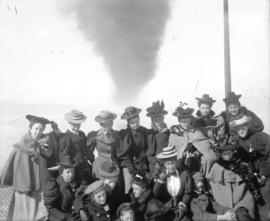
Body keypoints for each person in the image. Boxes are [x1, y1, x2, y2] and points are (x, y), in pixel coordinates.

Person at [0, 114, 50, 221]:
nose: (38, 132)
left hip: (35, 189)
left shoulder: (38, 146)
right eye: (36, 128)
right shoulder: (21, 147)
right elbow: (11, 163)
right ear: (30, 129)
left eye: (41, 129)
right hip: (24, 190)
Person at [229, 114, 270, 221]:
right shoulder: (237, 142)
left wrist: (265, 175)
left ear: (248, 126)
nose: (241, 131)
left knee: (264, 203)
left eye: (243, 127)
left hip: (265, 174)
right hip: (250, 176)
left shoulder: (261, 137)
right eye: (238, 129)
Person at [208, 141, 255, 221]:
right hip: (223, 200)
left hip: (241, 198)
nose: (228, 156)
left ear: (233, 152)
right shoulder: (216, 167)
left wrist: (235, 200)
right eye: (225, 154)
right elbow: (214, 187)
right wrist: (226, 204)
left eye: (229, 153)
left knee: (243, 215)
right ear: (221, 154)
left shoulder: (239, 165)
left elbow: (242, 185)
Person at [169, 102, 216, 175]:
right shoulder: (174, 134)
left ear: (190, 120)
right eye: (182, 121)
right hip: (181, 158)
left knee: (207, 159)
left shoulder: (196, 131)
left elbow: (205, 144)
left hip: (195, 158)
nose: (185, 123)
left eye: (187, 121)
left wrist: (197, 153)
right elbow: (171, 149)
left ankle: (205, 178)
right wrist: (182, 154)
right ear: (179, 121)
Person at [112, 106, 149, 194]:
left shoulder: (143, 131)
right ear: (128, 123)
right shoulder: (125, 135)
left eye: (137, 122)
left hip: (142, 166)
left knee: (142, 190)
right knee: (129, 191)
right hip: (129, 167)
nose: (135, 124)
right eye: (132, 123)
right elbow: (124, 156)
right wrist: (133, 171)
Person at [153, 146, 192, 221]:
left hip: (180, 205)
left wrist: (183, 202)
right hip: (166, 206)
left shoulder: (184, 174)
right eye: (168, 164)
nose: (171, 166)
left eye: (172, 163)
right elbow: (156, 194)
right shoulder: (161, 175)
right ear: (164, 164)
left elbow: (188, 192)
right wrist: (161, 180)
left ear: (175, 161)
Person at [59, 110, 92, 185]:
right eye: (74, 125)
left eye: (78, 124)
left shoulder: (82, 134)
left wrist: (92, 160)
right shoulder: (65, 137)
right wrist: (72, 169)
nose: (76, 127)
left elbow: (86, 150)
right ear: (69, 123)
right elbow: (64, 157)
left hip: (85, 167)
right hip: (74, 170)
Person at [43, 156, 81, 221]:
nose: (71, 174)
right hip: (60, 218)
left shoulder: (76, 182)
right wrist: (66, 217)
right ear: (61, 173)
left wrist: (80, 209)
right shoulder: (54, 185)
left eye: (72, 172)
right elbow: (50, 208)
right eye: (68, 172)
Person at [87, 110, 120, 180]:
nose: (107, 127)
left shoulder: (117, 134)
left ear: (112, 123)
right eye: (104, 124)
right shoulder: (94, 135)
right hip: (100, 166)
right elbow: (88, 151)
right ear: (101, 124)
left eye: (109, 124)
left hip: (114, 165)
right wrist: (93, 161)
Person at [146, 100, 170, 179]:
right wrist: (156, 163)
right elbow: (149, 155)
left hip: (169, 163)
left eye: (160, 118)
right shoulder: (151, 135)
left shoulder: (168, 132)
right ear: (152, 121)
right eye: (156, 120)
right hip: (156, 165)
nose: (158, 121)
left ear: (163, 118)